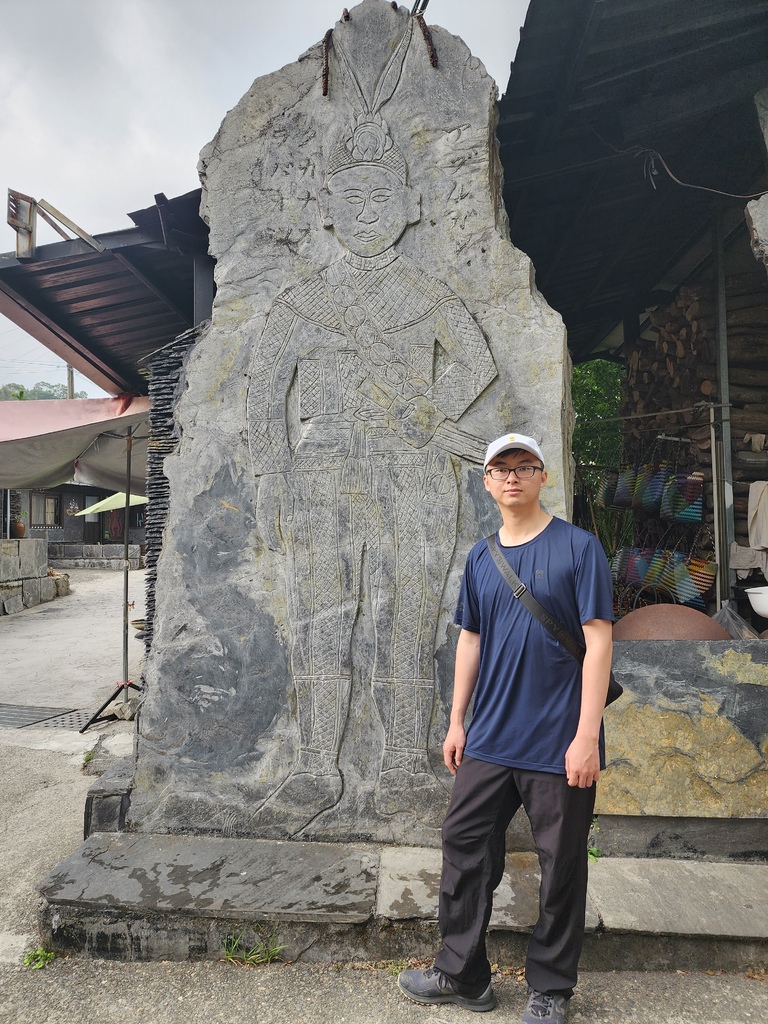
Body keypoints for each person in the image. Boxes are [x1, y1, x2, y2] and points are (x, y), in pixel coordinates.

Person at [397, 432, 614, 1022]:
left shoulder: (578, 548)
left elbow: (598, 644)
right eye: (501, 468)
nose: (513, 476)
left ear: (544, 477)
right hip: (490, 737)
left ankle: (550, 988)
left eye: (526, 466)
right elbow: (471, 639)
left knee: (561, 865)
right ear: (487, 482)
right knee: (463, 846)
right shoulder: (481, 557)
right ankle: (463, 974)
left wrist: (586, 735)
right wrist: (456, 721)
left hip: (559, 741)